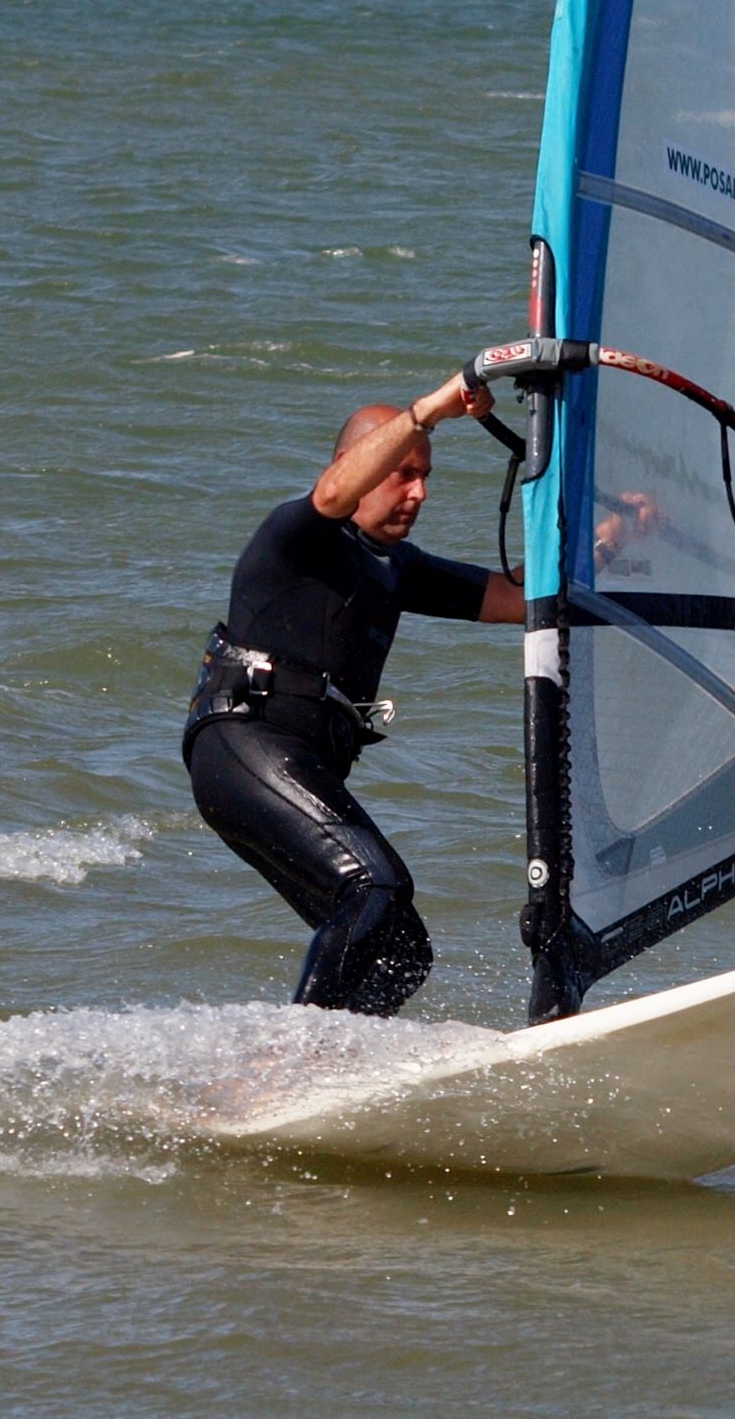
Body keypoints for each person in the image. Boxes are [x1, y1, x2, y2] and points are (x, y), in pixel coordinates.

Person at [182, 370, 519, 1018]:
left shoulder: (396, 569)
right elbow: (332, 493)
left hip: (295, 761)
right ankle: (293, 1056)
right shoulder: (294, 534)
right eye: (402, 472)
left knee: (401, 946)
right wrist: (428, 411)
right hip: (244, 742)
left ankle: (327, 1071)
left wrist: (611, 547)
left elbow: (517, 598)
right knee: (376, 885)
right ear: (357, 465)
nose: (417, 492)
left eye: (425, 477)